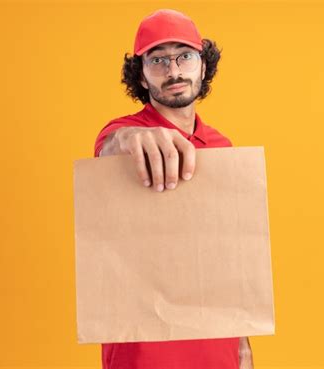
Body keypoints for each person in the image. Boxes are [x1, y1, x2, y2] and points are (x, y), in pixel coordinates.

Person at [93, 8, 255, 369]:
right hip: (143, 347)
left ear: (202, 64)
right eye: (158, 60)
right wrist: (133, 137)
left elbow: (230, 255)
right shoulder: (121, 131)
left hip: (218, 343)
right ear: (142, 75)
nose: (173, 71)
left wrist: (243, 343)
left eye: (184, 56)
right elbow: (109, 148)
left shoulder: (221, 146)